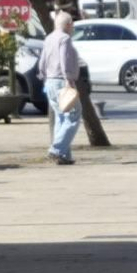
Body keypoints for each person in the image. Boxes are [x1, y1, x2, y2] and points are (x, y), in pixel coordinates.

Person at [38, 10, 81, 165]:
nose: (73, 27)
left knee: (61, 117)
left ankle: (64, 155)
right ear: (68, 25)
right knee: (74, 114)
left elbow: (42, 61)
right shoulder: (65, 39)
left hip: (49, 81)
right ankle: (56, 149)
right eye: (72, 24)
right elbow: (64, 60)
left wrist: (43, 76)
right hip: (61, 81)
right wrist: (68, 79)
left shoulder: (48, 38)